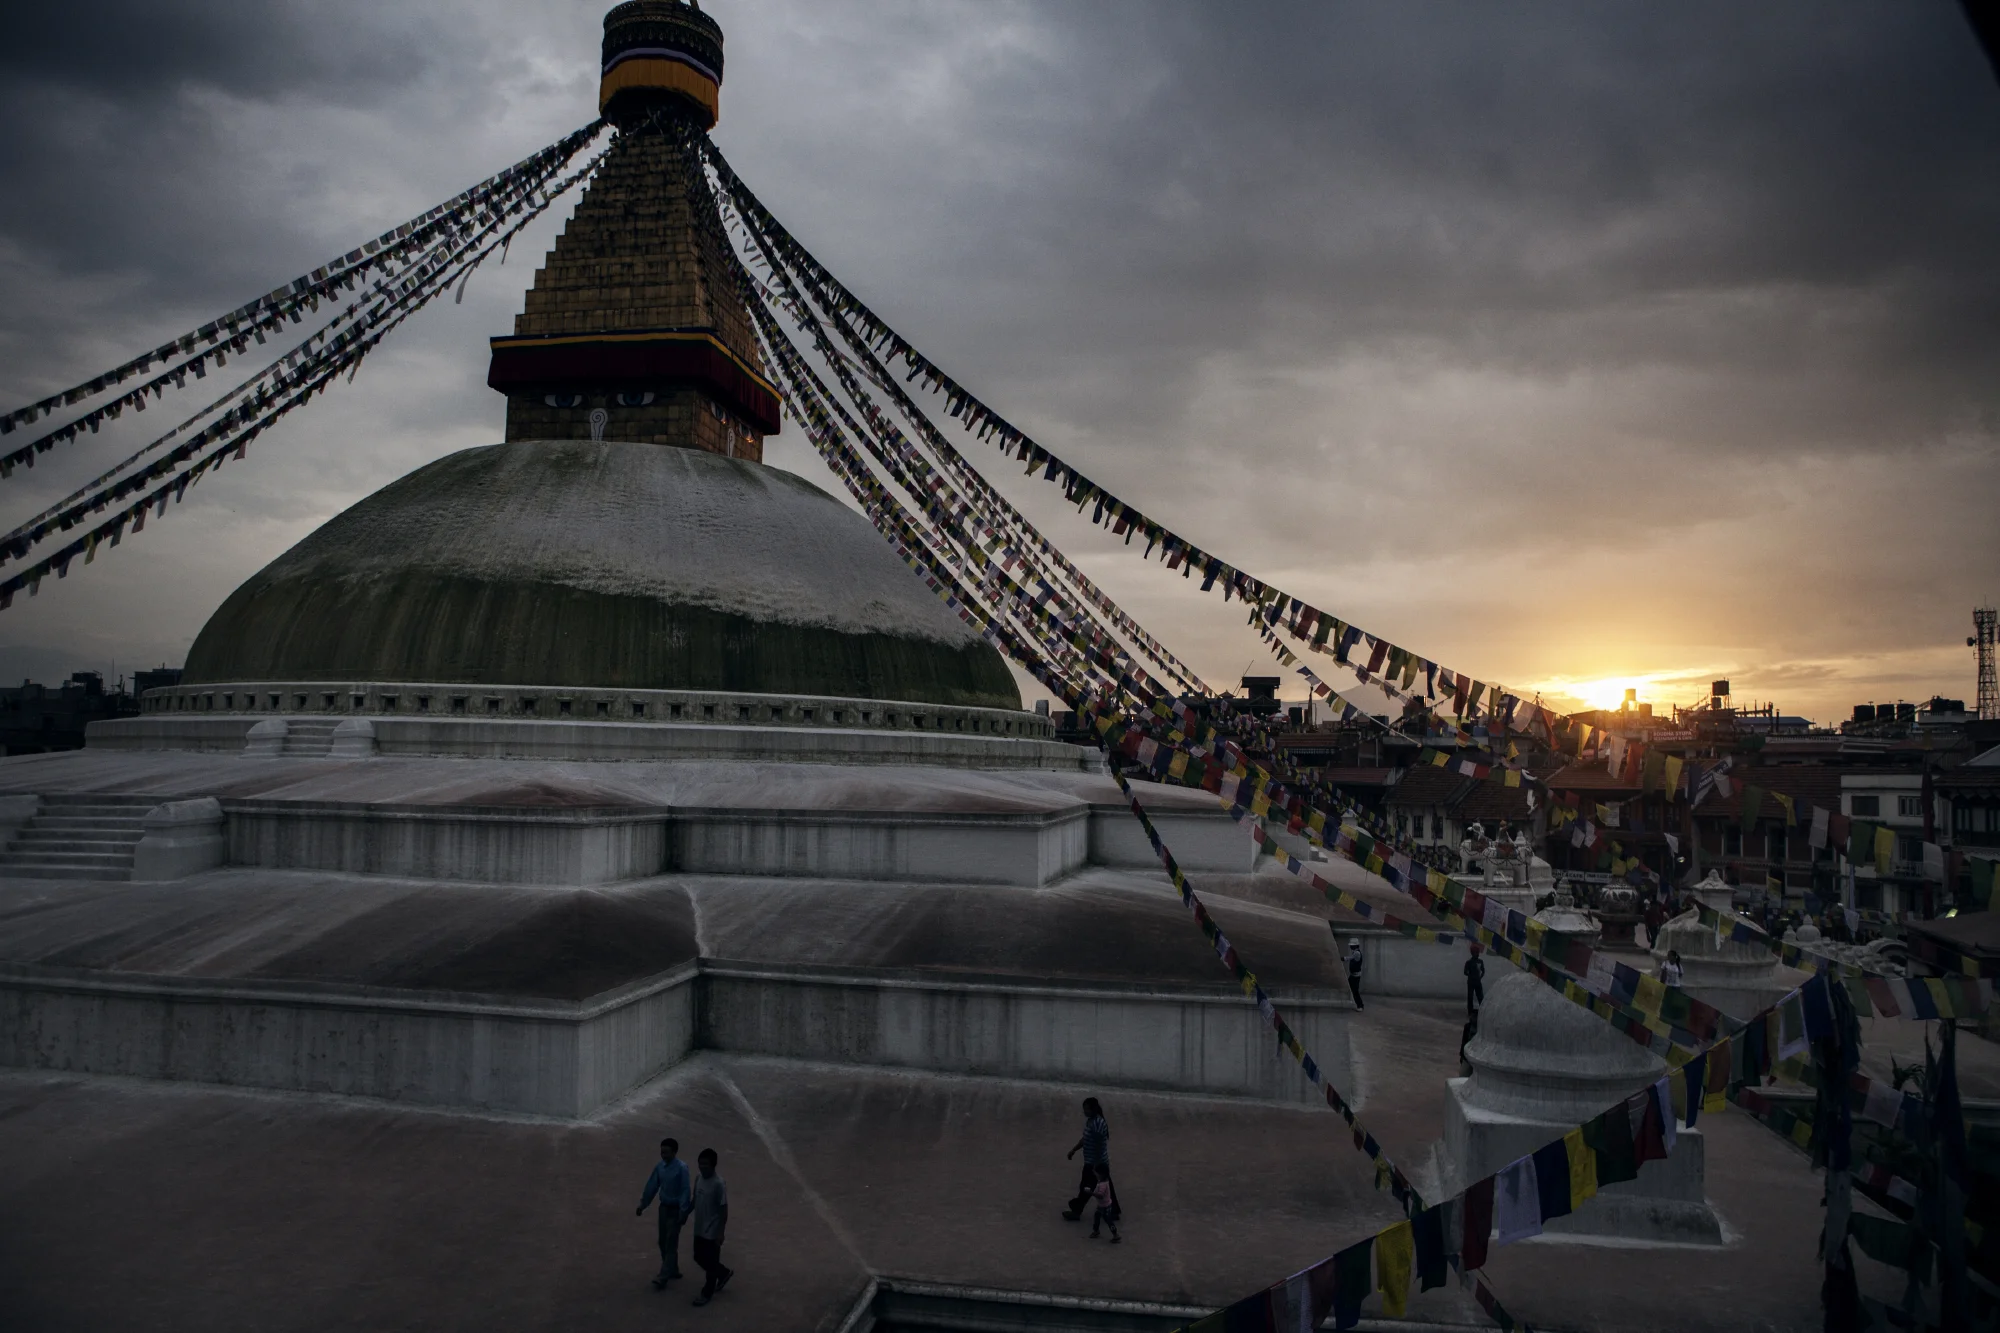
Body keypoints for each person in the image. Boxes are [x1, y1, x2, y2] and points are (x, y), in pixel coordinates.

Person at [636, 1137, 692, 1289]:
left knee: (670, 1243)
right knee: (662, 1241)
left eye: (667, 1153)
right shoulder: (660, 1167)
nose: (664, 1155)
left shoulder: (682, 1168)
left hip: (675, 1210)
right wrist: (643, 1204)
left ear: (674, 1152)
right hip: (663, 1208)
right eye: (662, 1152)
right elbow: (652, 1186)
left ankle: (663, 1275)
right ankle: (672, 1269)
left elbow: (685, 1190)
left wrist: (683, 1210)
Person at [689, 1148, 733, 1306]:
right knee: (698, 1257)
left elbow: (723, 1210)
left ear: (713, 1165)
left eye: (705, 1164)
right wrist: (685, 1213)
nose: (702, 1167)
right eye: (700, 1164)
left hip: (712, 1230)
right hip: (699, 1228)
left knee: (710, 1263)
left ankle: (706, 1293)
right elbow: (695, 1199)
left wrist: (720, 1232)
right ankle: (723, 1273)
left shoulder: (718, 1184)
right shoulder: (698, 1178)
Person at [1063, 1097, 1111, 1220]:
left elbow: (1099, 1146)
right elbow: (1085, 1139)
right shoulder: (1091, 1121)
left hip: (1095, 1163)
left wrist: (1096, 1166)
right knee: (1104, 1187)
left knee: (1086, 1187)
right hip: (1095, 1162)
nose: (1084, 1112)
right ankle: (1113, 1211)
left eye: (1086, 1109)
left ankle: (1076, 1211)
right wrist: (1074, 1149)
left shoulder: (1097, 1124)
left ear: (1093, 1109)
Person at [1088, 1173, 1121, 1242]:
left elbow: (1100, 1195)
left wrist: (1091, 1193)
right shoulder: (1104, 1182)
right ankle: (1096, 1231)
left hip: (1104, 1206)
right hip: (1103, 1205)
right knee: (1097, 1216)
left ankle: (1115, 1235)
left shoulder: (1102, 1185)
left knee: (1108, 1220)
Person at [1463, 942, 1486, 1016]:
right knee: (1470, 997)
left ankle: (1482, 1011)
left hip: (1477, 982)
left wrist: (1480, 977)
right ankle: (1470, 1011)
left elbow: (1483, 971)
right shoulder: (1469, 962)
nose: (1477, 954)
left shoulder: (1480, 961)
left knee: (1480, 997)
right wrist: (1472, 975)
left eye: (1478, 952)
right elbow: (1465, 972)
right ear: (1472, 953)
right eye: (1476, 952)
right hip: (1471, 982)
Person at [1344, 938, 1365, 1009]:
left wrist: (1343, 958)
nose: (1350, 947)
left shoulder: (1357, 953)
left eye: (1352, 946)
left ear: (1355, 946)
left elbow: (1350, 958)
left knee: (1355, 991)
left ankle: (1360, 1005)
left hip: (1355, 976)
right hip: (1353, 975)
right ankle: (1353, 1001)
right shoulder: (1355, 952)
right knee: (1350, 988)